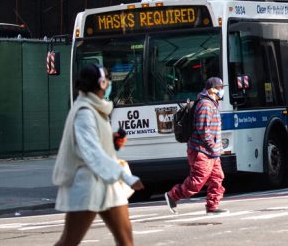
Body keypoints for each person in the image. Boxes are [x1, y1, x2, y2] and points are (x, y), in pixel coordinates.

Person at [52, 64, 144, 246]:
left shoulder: (93, 108)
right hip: (87, 185)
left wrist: (111, 140)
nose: (109, 83)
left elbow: (94, 143)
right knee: (69, 241)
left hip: (107, 185)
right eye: (107, 80)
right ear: (101, 84)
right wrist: (126, 176)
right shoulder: (84, 112)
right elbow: (91, 152)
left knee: (126, 242)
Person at [164, 76, 227, 214]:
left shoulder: (212, 103)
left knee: (217, 178)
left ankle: (212, 207)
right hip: (201, 151)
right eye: (220, 88)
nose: (222, 91)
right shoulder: (205, 105)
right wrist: (214, 147)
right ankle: (172, 195)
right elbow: (203, 130)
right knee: (197, 181)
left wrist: (217, 148)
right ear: (211, 90)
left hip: (211, 152)